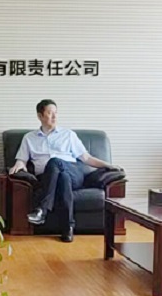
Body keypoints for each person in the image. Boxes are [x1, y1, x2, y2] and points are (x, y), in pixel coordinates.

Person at [9, 99, 121, 243]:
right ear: (40, 116)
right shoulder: (29, 138)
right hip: (47, 177)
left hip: (74, 173)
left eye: (56, 113)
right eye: (50, 113)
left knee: (55, 161)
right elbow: (22, 160)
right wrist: (18, 165)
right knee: (63, 178)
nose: (54, 116)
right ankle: (68, 228)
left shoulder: (68, 134)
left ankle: (42, 209)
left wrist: (108, 165)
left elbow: (86, 158)